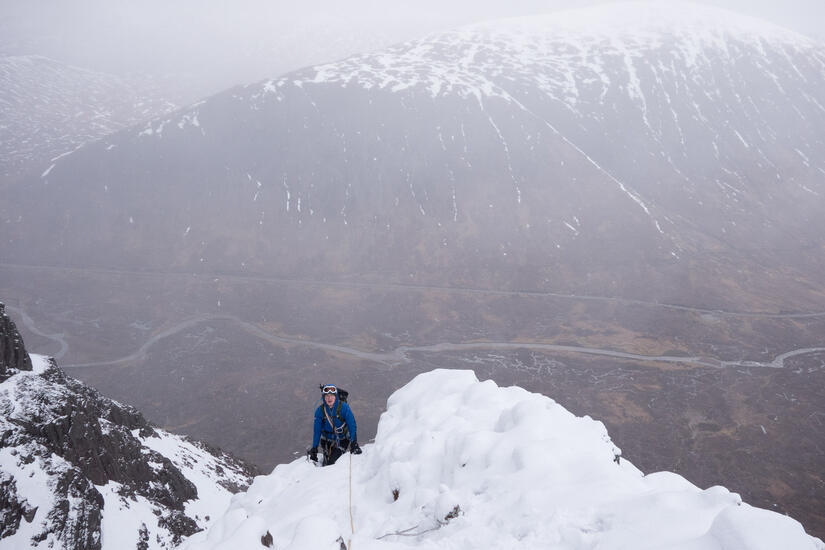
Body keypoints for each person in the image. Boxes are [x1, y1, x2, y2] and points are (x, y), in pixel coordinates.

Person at [309, 384, 362, 466]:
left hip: (342, 440)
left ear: (335, 396)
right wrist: (314, 448)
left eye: (331, 396)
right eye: (326, 396)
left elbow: (352, 425)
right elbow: (317, 431)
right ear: (323, 397)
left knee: (332, 462)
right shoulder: (320, 411)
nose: (329, 398)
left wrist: (354, 442)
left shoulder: (344, 408)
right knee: (326, 461)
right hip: (326, 440)